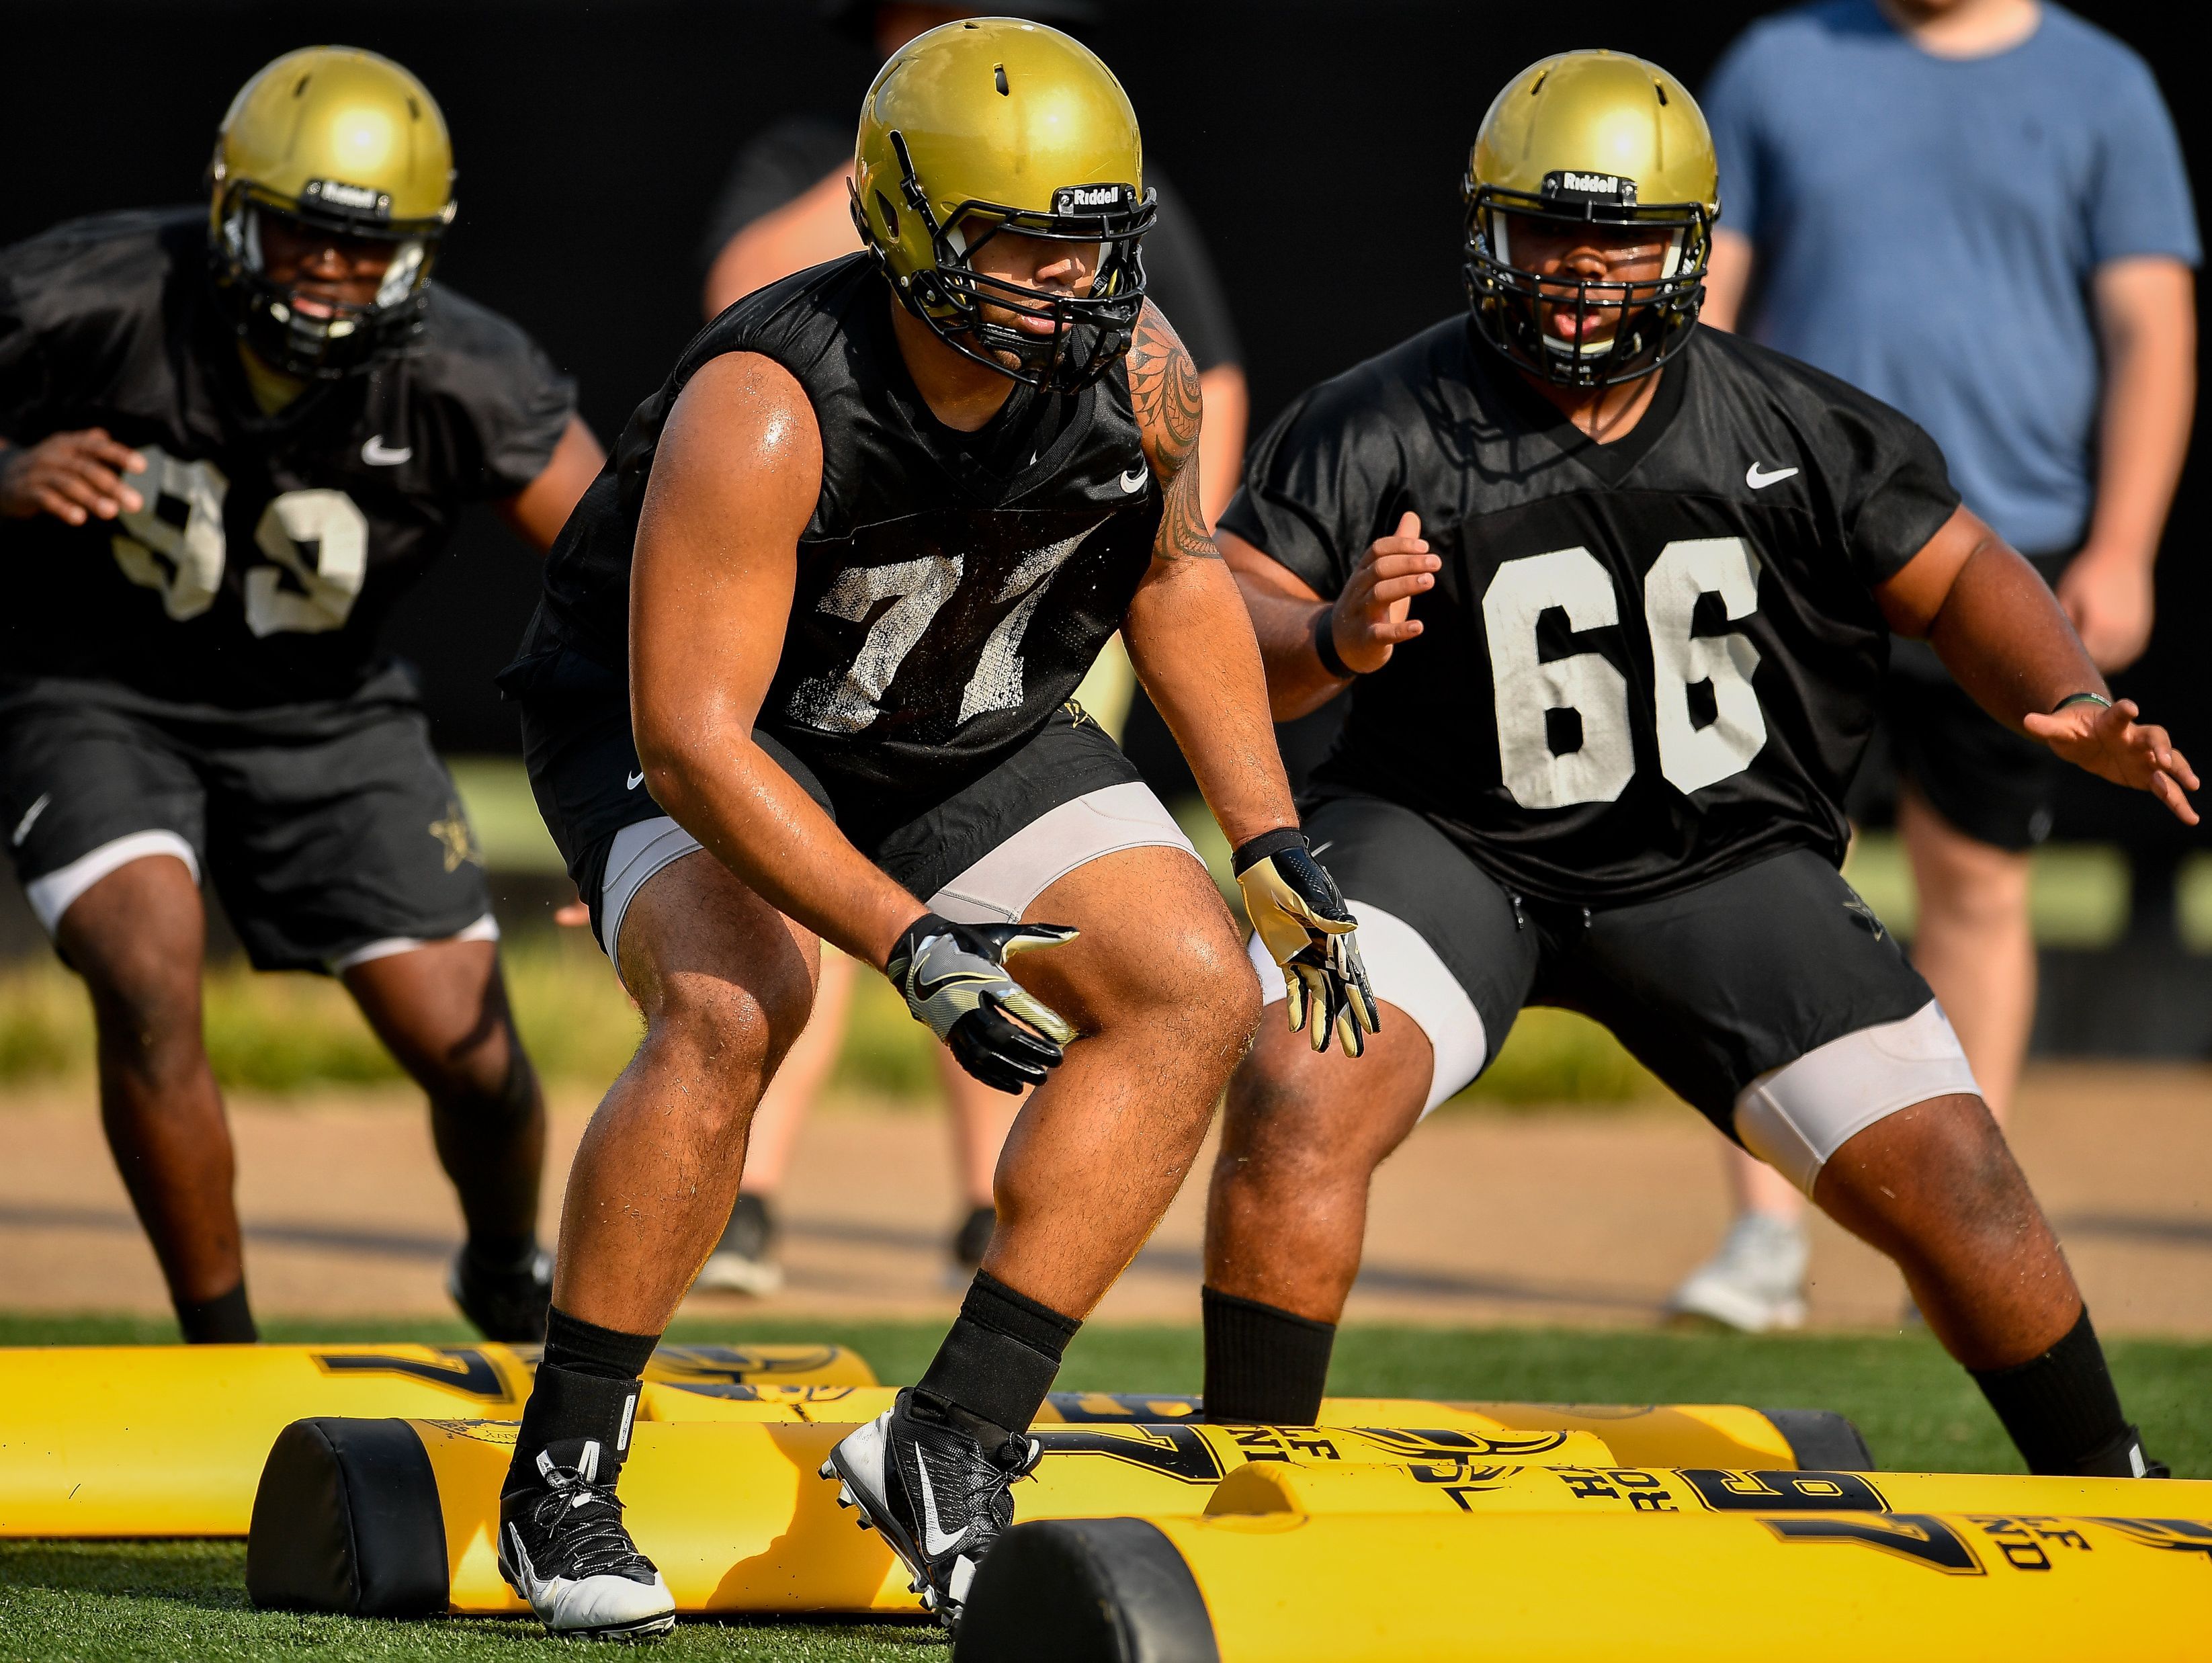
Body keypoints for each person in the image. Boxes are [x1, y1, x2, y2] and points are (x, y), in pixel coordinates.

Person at [1197, 49, 2193, 1489]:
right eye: (1547, 227)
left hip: (1718, 864)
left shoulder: (1789, 421)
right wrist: (1329, 632)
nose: (1583, 269)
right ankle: (1249, 1487)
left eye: (1620, 236)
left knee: (1957, 1170)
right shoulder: (1378, 417)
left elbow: (1960, 567)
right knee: (1297, 1085)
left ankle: (2114, 1485)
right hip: (1446, 843)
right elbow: (1227, 609)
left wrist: (2062, 692)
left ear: (1690, 245)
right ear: (1484, 230)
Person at [491, 20, 1370, 1639]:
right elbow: (688, 736)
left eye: (1091, 239)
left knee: (1193, 981)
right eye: (1022, 239)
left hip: (962, 708)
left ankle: (950, 1434)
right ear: (903, 222)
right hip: (707, 725)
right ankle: (561, 1466)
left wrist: (1263, 833)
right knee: (736, 998)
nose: (1067, 281)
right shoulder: (768, 400)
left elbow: (1172, 577)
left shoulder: (1134, 365)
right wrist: (903, 939)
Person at [0, 48, 604, 1345]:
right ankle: (220, 1345)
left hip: (328, 716)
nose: (330, 272)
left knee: (474, 1057)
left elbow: (628, 568)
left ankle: (505, 1264)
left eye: (364, 246)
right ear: (232, 212)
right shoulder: (89, 291)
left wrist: (660, 774)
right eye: (301, 235)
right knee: (146, 963)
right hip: (94, 692)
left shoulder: (467, 371)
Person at [691, 0, 1250, 1293]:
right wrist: (922, 181)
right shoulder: (806, 161)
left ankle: (986, 1195)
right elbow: (743, 297)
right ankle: (750, 1191)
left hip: (1036, 566)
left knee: (1025, 879)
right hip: (850, 567)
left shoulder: (1099, 183)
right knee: (795, 867)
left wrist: (1154, 529)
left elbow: (1196, 367)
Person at [1671, 0, 2199, 1332]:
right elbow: (1704, 301)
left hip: (2004, 559)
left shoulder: (2102, 82)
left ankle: (1954, 1239)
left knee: (1976, 889)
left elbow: (2148, 327)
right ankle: (1762, 1244)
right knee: (1750, 880)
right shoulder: (1777, 63)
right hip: (1787, 549)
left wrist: (2123, 543)